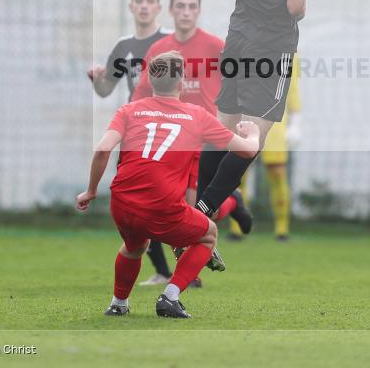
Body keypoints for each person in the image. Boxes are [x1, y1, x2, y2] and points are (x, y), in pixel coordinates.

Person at [190, 0, 342, 218]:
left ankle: (196, 215)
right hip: (271, 46)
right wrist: (300, 10)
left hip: (238, 35)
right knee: (251, 141)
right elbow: (295, 7)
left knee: (221, 131)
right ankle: (201, 214)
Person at [76, 51, 260, 319]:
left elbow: (103, 148)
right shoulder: (197, 115)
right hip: (162, 206)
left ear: (150, 79)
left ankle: (118, 303)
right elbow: (246, 151)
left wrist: (91, 191)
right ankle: (170, 297)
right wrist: (252, 134)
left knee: (134, 246)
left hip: (122, 203)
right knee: (208, 234)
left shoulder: (129, 110)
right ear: (182, 81)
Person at [132, 0, 253, 240]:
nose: (186, 12)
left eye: (191, 7)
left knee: (198, 208)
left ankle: (230, 203)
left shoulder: (215, 46)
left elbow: (241, 81)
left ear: (198, 11)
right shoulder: (159, 50)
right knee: (176, 207)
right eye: (181, 7)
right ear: (171, 11)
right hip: (173, 138)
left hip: (207, 137)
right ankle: (232, 201)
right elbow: (141, 92)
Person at [86, 0, 174, 287]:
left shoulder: (170, 42)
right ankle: (165, 271)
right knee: (139, 200)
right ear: (132, 7)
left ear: (159, 8)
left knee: (173, 198)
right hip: (135, 131)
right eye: (140, 1)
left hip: (169, 131)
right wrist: (96, 79)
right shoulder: (124, 47)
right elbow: (105, 89)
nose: (145, 6)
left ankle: (181, 263)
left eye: (150, 1)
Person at [229, 55, 301, 242]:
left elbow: (292, 88)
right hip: (245, 118)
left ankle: (282, 229)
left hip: (275, 122)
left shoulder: (288, 53)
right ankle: (236, 228)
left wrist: (296, 121)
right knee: (238, 173)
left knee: (277, 173)